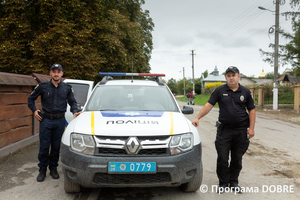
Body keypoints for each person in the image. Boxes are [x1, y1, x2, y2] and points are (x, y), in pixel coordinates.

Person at [192, 66, 255, 193]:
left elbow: (252, 110)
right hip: (224, 131)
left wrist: (251, 128)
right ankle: (223, 183)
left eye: (234, 75)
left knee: (237, 158)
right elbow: (209, 105)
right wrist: (198, 117)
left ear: (239, 76)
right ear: (226, 77)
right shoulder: (219, 91)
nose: (231, 78)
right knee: (222, 157)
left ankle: (233, 182)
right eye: (229, 76)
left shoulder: (246, 92)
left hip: (241, 131)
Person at [28, 64, 82, 182]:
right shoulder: (42, 86)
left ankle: (53, 169)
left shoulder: (67, 88)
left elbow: (72, 102)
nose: (56, 74)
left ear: (62, 73)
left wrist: (75, 111)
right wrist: (34, 110)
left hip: (59, 121)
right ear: (50, 73)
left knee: (56, 147)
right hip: (46, 120)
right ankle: (42, 170)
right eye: (54, 71)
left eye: (58, 71)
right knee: (44, 147)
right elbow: (30, 99)